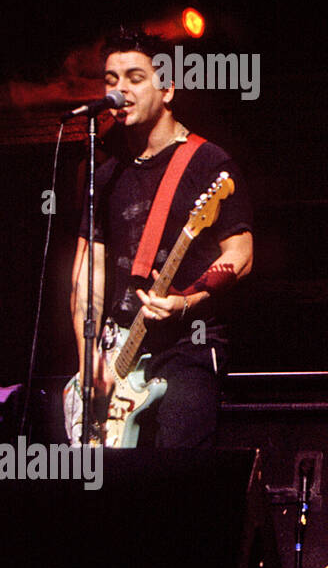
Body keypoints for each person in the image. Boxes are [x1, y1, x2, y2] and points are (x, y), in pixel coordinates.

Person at [69, 26, 253, 447]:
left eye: (135, 78)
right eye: (111, 80)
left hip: (186, 346)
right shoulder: (107, 170)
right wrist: (89, 360)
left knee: (173, 475)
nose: (120, 91)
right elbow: (87, 277)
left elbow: (241, 254)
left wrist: (185, 301)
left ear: (168, 88)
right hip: (117, 354)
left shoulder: (208, 163)